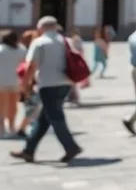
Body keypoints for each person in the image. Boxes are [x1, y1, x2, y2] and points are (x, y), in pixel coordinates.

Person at [9, 16, 82, 163]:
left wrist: (24, 85)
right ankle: (28, 150)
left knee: (56, 118)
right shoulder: (66, 41)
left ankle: (71, 147)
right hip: (65, 84)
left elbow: (31, 66)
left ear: (41, 28)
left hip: (48, 85)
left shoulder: (39, 42)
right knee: (44, 119)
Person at [0, 29, 26, 137]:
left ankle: (1, 129)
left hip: (1, 82)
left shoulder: (1, 50)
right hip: (16, 82)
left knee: (1, 107)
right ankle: (12, 127)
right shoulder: (21, 50)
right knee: (13, 106)